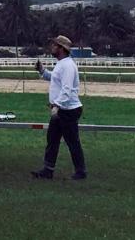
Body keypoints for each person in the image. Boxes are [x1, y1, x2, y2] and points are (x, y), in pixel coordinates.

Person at [32, 35, 86, 180]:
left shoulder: (67, 66)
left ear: (62, 49)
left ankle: (81, 172)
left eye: (55, 45)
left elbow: (67, 89)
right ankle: (48, 170)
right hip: (61, 109)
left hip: (68, 110)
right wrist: (43, 71)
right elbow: (55, 79)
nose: (52, 47)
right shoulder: (61, 63)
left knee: (72, 142)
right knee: (52, 140)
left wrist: (57, 105)